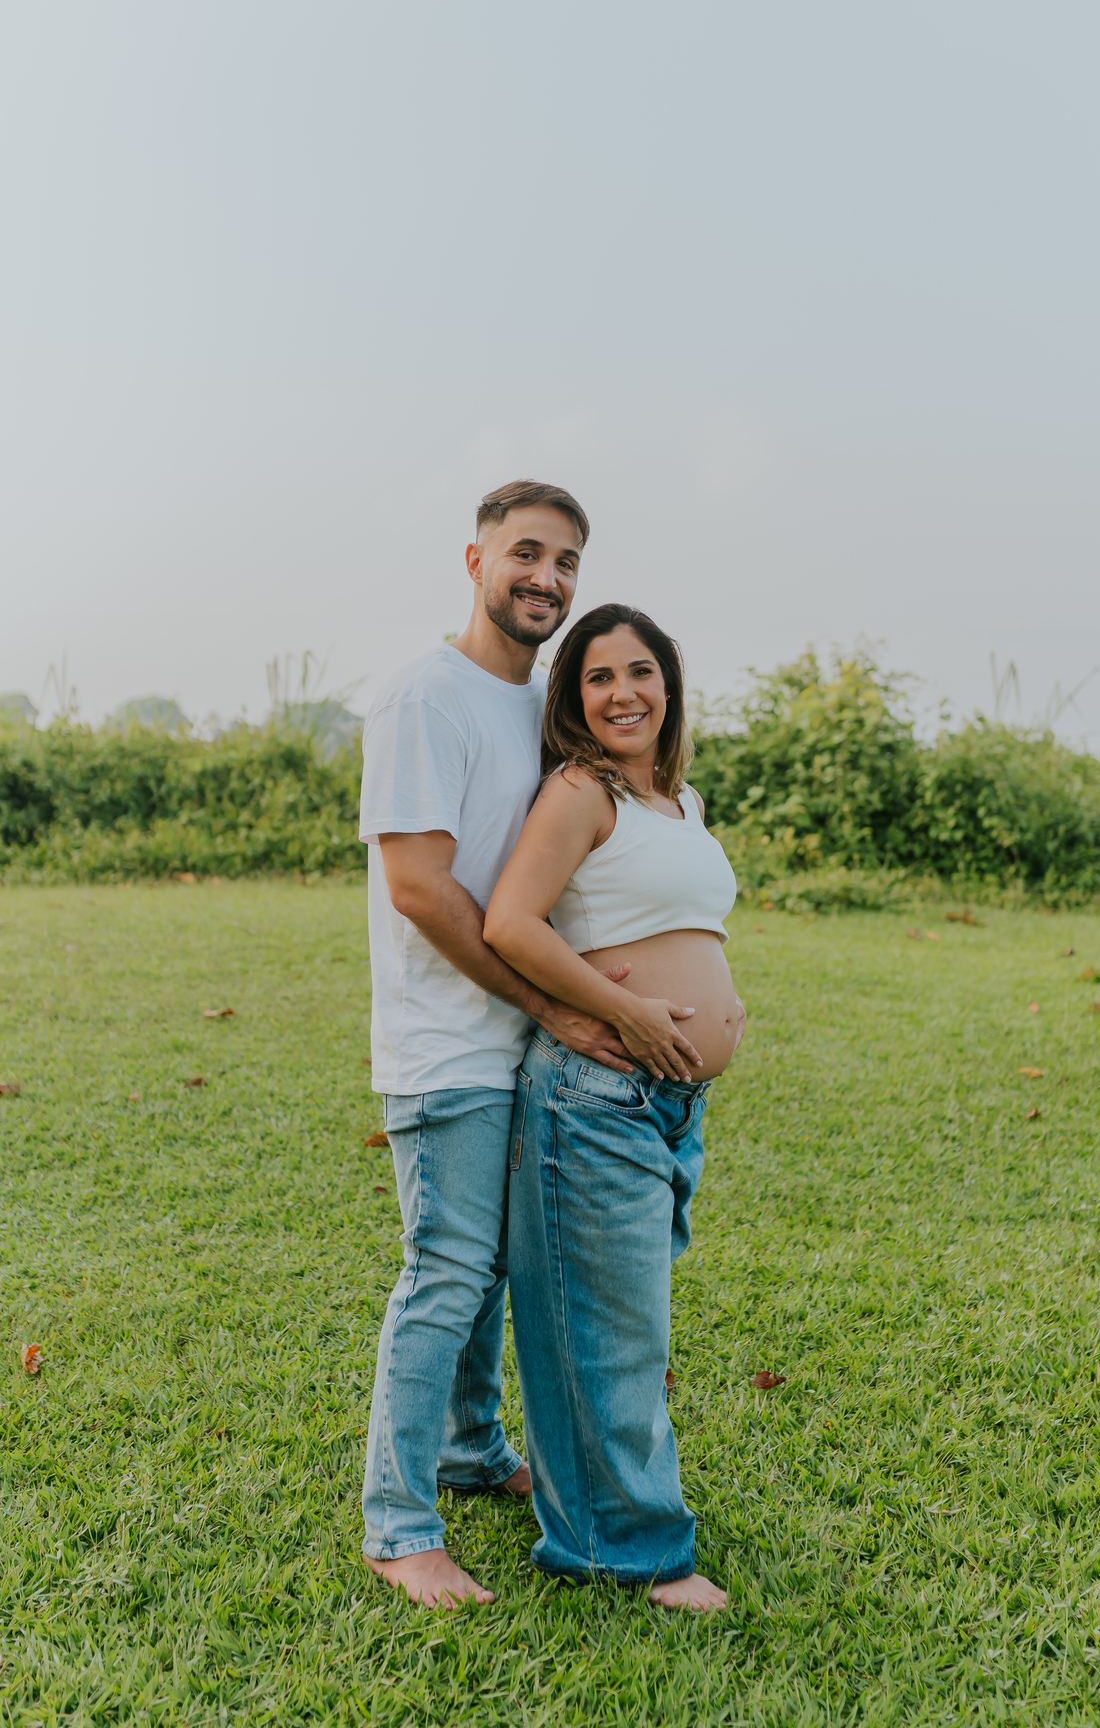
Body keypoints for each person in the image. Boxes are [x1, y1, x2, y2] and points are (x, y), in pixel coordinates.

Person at [358, 481, 640, 1611]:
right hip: (446, 1047)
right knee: (444, 1275)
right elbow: (423, 890)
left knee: (484, 1279)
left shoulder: (536, 707)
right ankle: (398, 1524)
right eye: (527, 553)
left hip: (515, 1045)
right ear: (474, 561)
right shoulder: (425, 696)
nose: (548, 580)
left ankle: (470, 1453)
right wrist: (546, 1002)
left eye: (566, 562)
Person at [483, 603, 745, 1612]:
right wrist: (628, 1010)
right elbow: (510, 921)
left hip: (671, 1104)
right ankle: (628, 1551)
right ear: (573, 699)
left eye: (641, 671)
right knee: (608, 1331)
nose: (624, 693)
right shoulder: (579, 791)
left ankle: (602, 1513)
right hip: (596, 1094)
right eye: (599, 678)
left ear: (668, 685)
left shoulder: (678, 802)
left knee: (622, 1322)